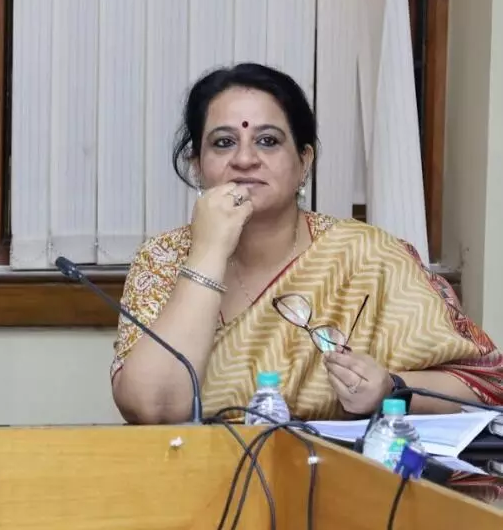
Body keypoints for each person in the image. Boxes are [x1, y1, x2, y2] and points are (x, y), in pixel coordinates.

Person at [110, 62, 503, 424]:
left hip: (339, 473)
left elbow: (486, 387)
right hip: (200, 472)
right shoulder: (163, 259)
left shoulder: (368, 255)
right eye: (224, 142)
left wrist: (392, 387)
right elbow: (152, 409)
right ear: (197, 165)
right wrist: (207, 251)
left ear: (304, 162)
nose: (245, 159)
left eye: (268, 141)